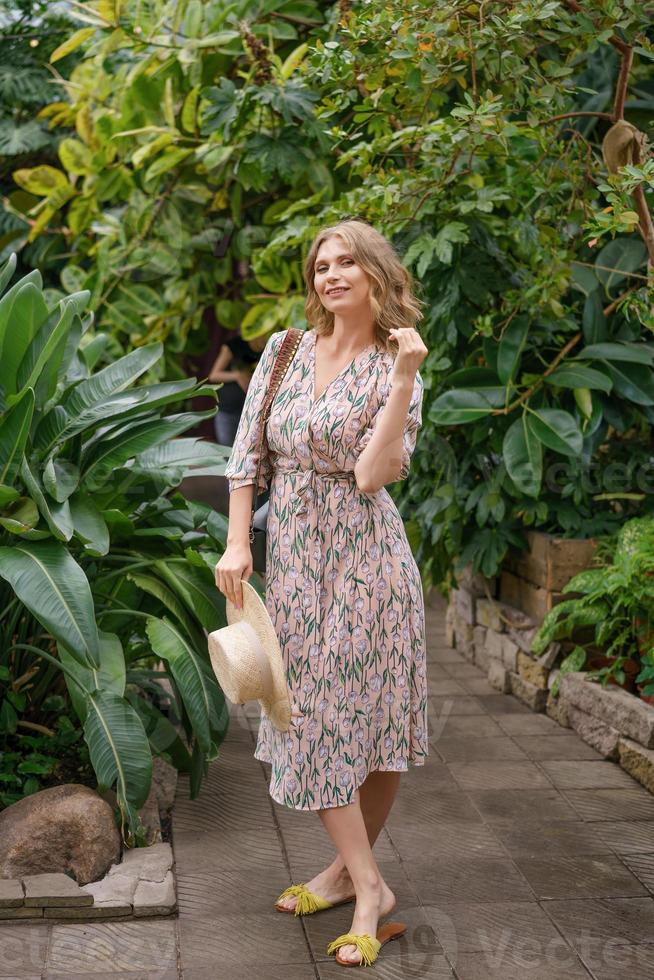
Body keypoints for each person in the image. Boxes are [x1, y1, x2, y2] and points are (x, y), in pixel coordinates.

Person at [214, 218, 429, 968]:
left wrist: (403, 377)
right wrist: (239, 541)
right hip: (300, 563)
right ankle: (361, 880)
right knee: (312, 717)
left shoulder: (395, 366)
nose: (329, 275)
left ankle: (356, 883)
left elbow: (373, 475)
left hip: (371, 563)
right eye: (320, 265)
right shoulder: (283, 352)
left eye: (345, 263)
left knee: (373, 723)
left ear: (376, 273)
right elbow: (246, 458)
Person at [208, 331, 262, 446]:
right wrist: (237, 375)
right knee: (228, 452)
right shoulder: (235, 346)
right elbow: (214, 375)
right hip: (229, 411)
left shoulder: (273, 346)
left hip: (254, 412)